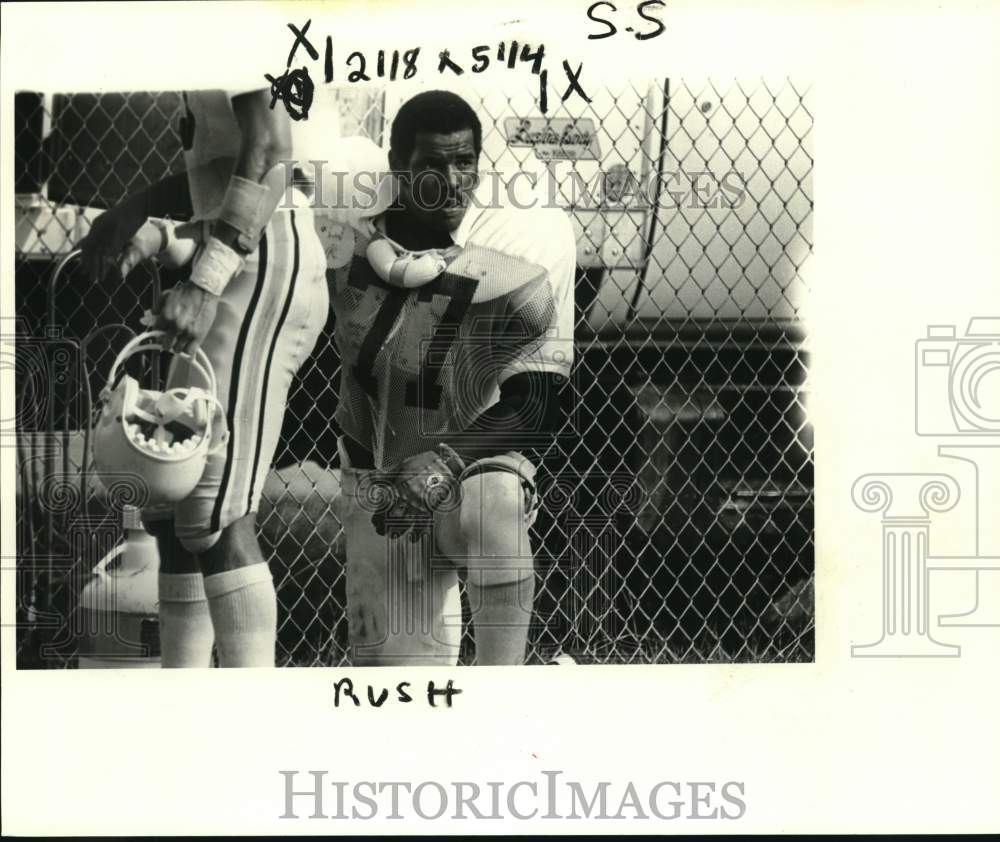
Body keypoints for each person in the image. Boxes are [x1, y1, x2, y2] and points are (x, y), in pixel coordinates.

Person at [313, 89, 576, 666]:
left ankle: (501, 692)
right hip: (382, 485)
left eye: (465, 164)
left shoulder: (522, 237)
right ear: (395, 167)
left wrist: (444, 462)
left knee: (493, 503)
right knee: (395, 687)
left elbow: (538, 404)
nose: (452, 181)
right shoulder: (343, 212)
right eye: (432, 165)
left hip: (466, 473)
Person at [80, 88, 329, 667]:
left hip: (259, 254)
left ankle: (250, 726)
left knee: (213, 513)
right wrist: (136, 208)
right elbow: (220, 171)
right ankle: (185, 709)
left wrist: (206, 280)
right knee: (170, 503)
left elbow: (272, 150)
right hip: (233, 242)